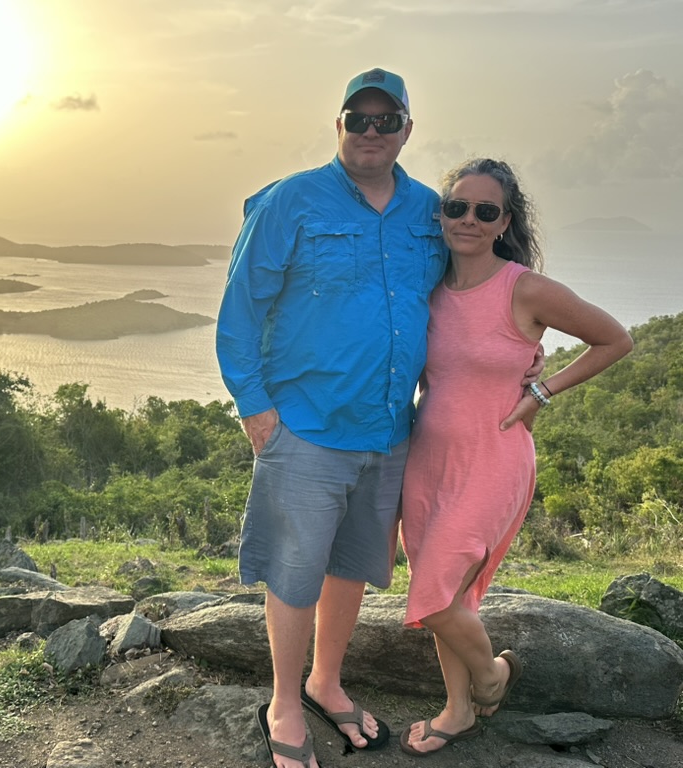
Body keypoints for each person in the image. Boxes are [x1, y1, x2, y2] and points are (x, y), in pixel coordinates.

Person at [216, 68, 542, 768]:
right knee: (295, 572)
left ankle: (326, 682)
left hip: (392, 432)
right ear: (339, 124)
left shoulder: (430, 211)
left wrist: (523, 360)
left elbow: (466, 294)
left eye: (385, 119)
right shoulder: (291, 201)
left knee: (350, 568)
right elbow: (239, 309)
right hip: (305, 425)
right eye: (358, 118)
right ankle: (284, 702)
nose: (371, 130)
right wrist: (256, 410)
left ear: (406, 129)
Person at [397, 158, 633, 757]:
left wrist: (542, 391)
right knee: (451, 596)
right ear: (441, 214)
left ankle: (493, 677)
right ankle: (458, 711)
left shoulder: (523, 288)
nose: (468, 220)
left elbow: (615, 339)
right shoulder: (426, 288)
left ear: (504, 222)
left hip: (494, 457)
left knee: (436, 592)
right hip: (428, 460)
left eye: (485, 211)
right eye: (457, 207)